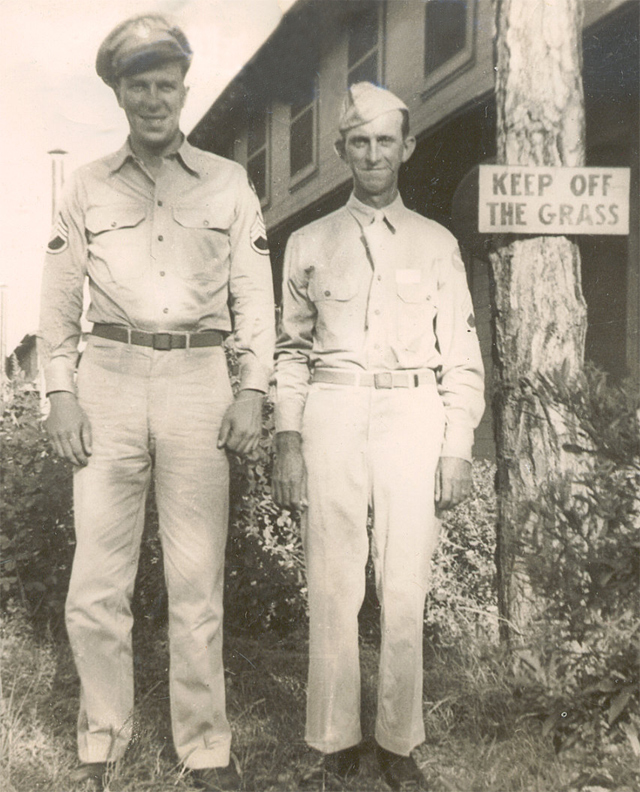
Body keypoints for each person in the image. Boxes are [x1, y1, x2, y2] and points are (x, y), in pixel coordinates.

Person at [38, 14, 274, 792]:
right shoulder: (86, 187)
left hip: (199, 382)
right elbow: (59, 300)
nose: (152, 97)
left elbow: (254, 300)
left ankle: (204, 746)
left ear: (183, 85)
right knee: (97, 583)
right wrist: (62, 394)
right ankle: (102, 739)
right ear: (118, 92)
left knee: (195, 581)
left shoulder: (227, 184)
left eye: (164, 83)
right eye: (136, 85)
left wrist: (252, 391)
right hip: (107, 377)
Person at [272, 82, 484, 791]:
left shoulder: (436, 242)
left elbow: (460, 354)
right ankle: (333, 740)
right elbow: (291, 354)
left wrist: (456, 447)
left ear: (407, 147)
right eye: (358, 142)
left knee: (404, 584)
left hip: (411, 416)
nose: (372, 154)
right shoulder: (308, 242)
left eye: (385, 140)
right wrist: (288, 439)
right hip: (333, 410)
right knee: (331, 584)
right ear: (339, 151)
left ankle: (397, 742)